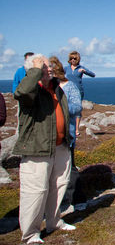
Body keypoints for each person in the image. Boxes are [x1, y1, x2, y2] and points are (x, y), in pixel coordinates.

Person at [14, 54, 75, 244]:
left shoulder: (55, 87)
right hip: (37, 148)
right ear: (32, 70)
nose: (48, 69)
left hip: (60, 146)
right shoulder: (31, 90)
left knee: (59, 185)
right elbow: (22, 92)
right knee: (36, 191)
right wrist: (34, 71)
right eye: (43, 67)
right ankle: (31, 234)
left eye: (48, 66)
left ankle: (54, 221)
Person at [49, 56, 83, 212]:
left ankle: (75, 199)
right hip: (50, 137)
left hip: (66, 133)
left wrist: (59, 107)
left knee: (70, 166)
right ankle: (56, 201)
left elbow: (76, 108)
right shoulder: (47, 88)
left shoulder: (69, 87)